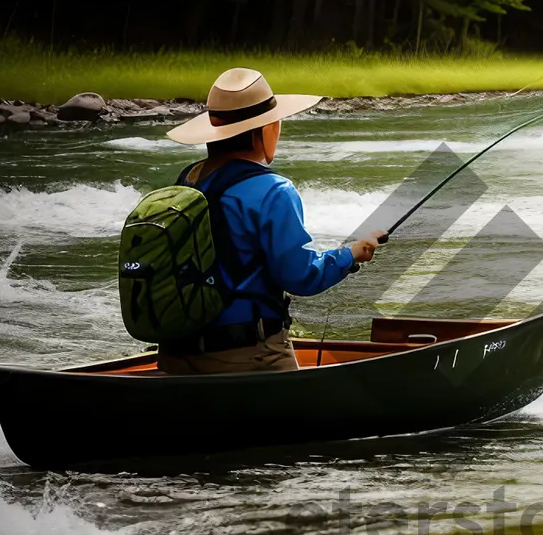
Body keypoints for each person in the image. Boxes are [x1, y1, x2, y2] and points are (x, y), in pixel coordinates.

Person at [155, 67, 384, 374]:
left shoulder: (188, 180)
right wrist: (350, 255)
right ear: (264, 130)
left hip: (176, 351)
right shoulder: (273, 190)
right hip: (249, 354)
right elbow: (299, 276)